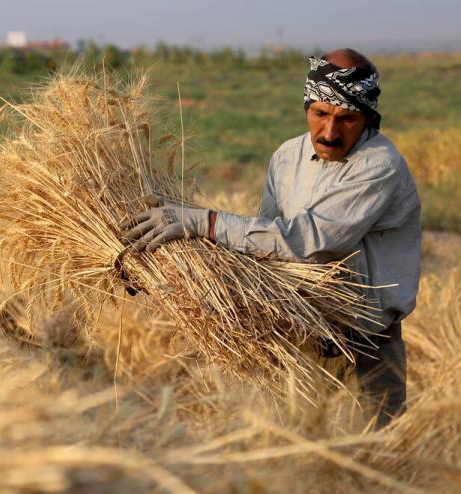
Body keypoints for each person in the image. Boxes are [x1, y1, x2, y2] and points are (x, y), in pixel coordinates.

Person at [120, 48, 421, 428]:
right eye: (320, 114)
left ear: (367, 118)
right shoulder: (286, 157)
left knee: (374, 464)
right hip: (301, 337)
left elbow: (310, 241)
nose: (329, 132)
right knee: (299, 462)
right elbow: (265, 244)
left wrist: (205, 223)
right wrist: (167, 265)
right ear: (307, 107)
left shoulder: (380, 165)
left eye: (347, 119)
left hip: (365, 347)